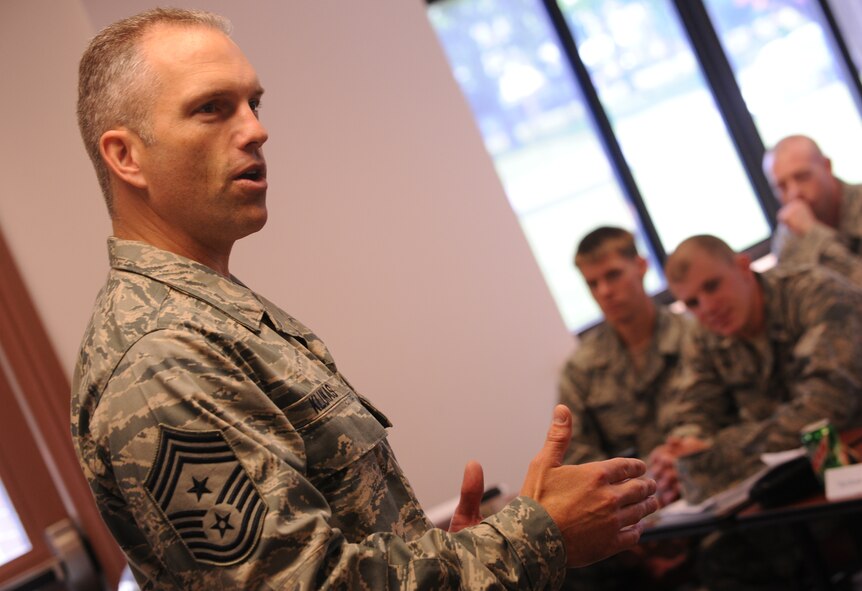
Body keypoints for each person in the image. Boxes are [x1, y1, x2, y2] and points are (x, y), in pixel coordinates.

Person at [70, 9, 657, 590]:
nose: (255, 129)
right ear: (127, 157)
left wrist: (459, 556)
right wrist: (537, 536)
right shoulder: (163, 358)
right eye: (211, 108)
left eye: (254, 104)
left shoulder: (207, 318)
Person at [653, 234, 862, 590]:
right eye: (692, 302)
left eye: (713, 286)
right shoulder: (705, 336)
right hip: (790, 489)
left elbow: (825, 409)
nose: (707, 307)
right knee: (719, 562)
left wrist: (715, 452)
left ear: (743, 266)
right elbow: (693, 408)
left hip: (848, 469)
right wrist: (681, 449)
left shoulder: (814, 293)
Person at [557, 227, 694, 589]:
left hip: (698, 495)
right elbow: (579, 458)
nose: (605, 291)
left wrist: (685, 458)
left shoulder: (693, 336)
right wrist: (631, 493)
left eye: (613, 275)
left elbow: (715, 417)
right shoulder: (582, 369)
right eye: (593, 283)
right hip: (628, 518)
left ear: (641, 266)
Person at [764, 135, 862, 284]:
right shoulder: (788, 237)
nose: (794, 192)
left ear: (827, 167)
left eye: (802, 177)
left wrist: (813, 233)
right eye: (781, 186)